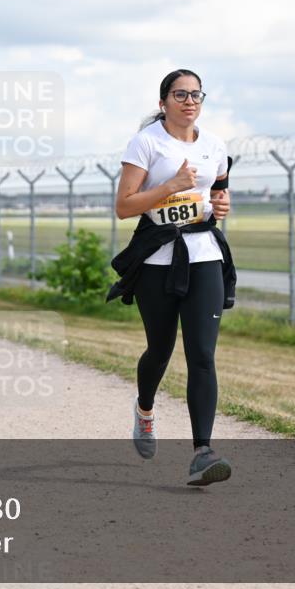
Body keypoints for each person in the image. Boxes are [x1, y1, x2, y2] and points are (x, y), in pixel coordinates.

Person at [108, 68, 235, 486]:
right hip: (157, 259)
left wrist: (221, 203)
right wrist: (173, 185)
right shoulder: (147, 143)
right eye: (180, 94)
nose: (190, 101)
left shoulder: (214, 145)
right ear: (163, 103)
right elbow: (125, 207)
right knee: (160, 350)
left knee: (202, 354)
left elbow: (219, 184)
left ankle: (203, 452)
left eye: (196, 94)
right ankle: (145, 410)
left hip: (203, 256)